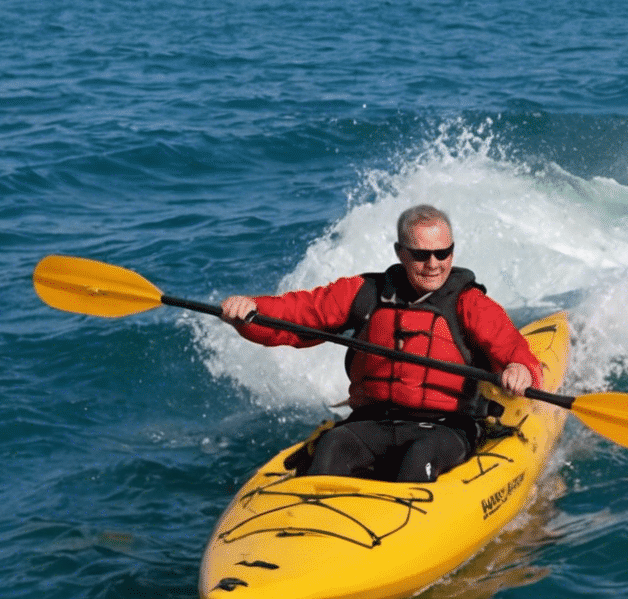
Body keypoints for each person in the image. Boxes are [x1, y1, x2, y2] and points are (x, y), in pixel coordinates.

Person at [218, 205, 543, 483]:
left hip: (445, 429)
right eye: (421, 254)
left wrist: (520, 369)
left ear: (452, 252)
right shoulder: (364, 293)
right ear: (400, 252)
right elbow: (299, 313)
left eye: (442, 253)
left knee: (419, 459)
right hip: (371, 422)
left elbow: (512, 348)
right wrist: (252, 310)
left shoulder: (469, 304)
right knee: (332, 448)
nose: (433, 264)